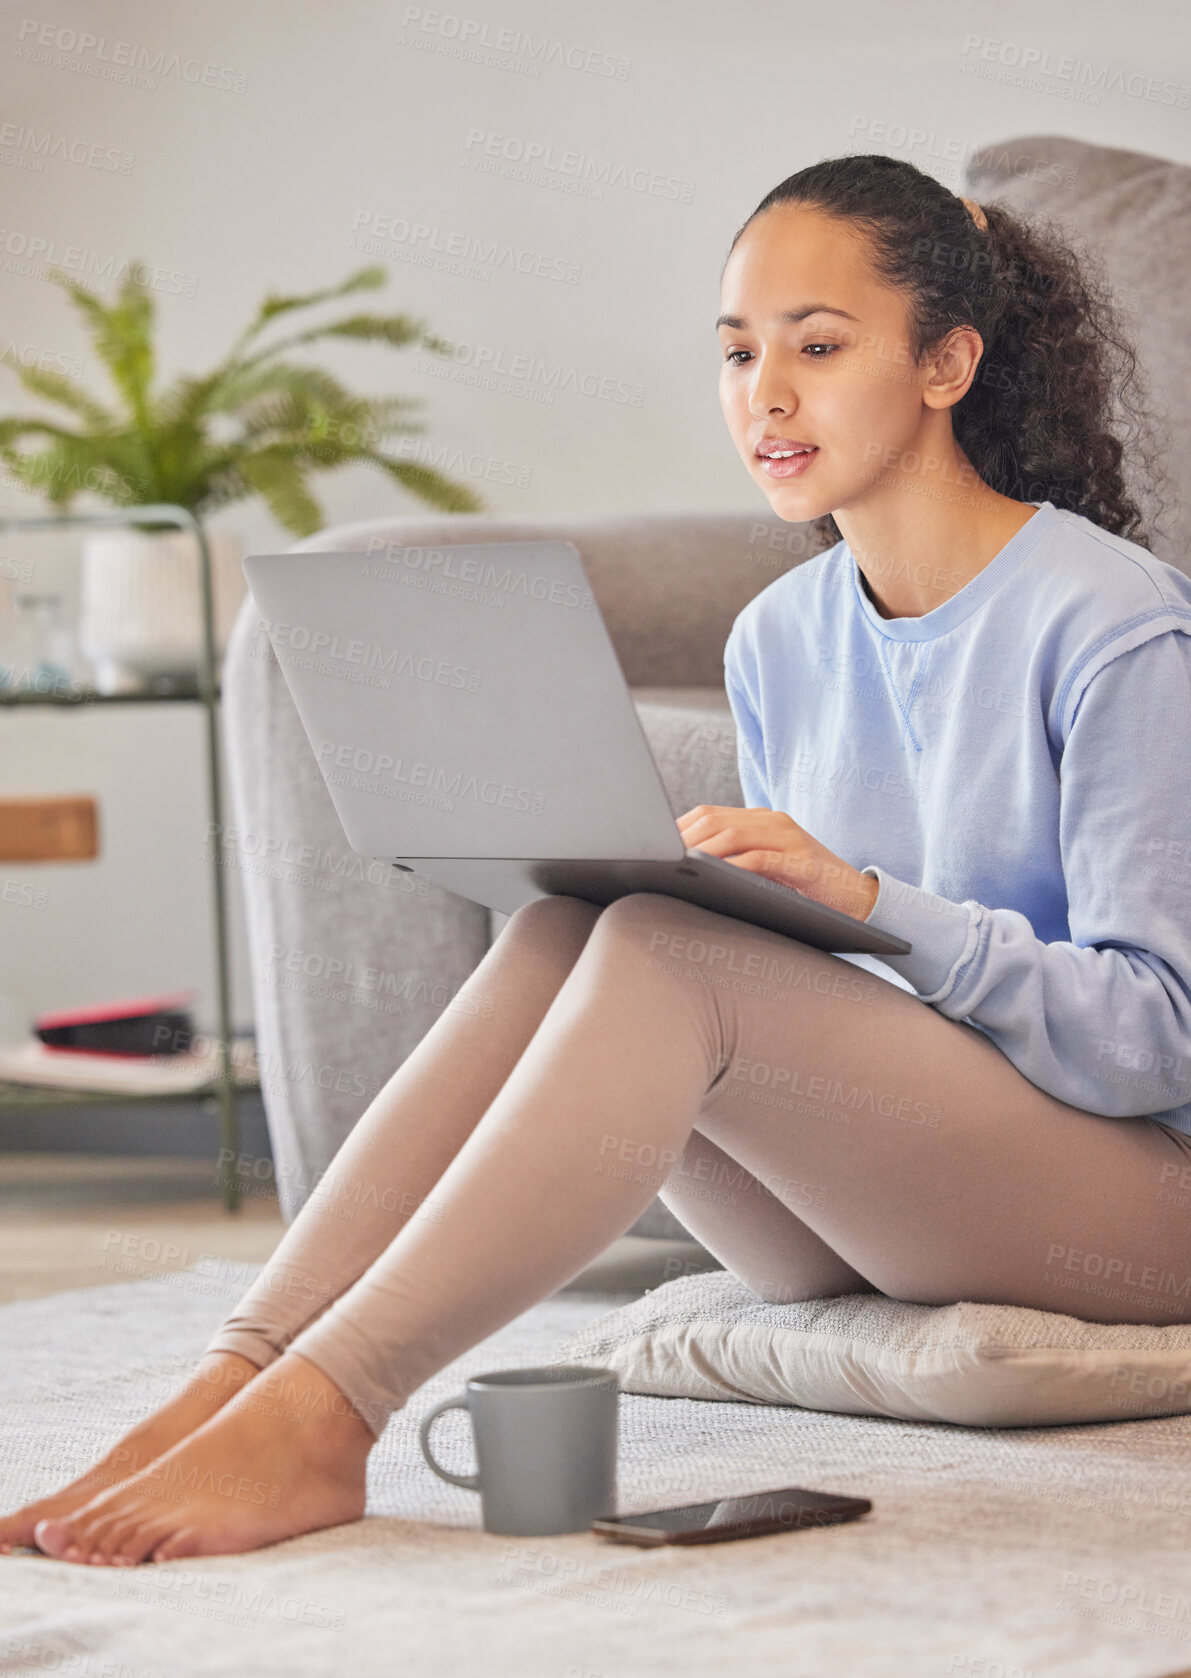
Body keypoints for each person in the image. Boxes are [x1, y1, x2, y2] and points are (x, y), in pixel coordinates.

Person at [5, 151, 1190, 1568]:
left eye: (820, 346)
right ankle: (237, 1376)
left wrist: (874, 908)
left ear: (948, 363)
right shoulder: (780, 637)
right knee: (580, 924)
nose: (767, 393)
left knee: (658, 951)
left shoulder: (1114, 624)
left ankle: (330, 1415)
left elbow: (1156, 1040)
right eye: (740, 352)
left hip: (1125, 1206)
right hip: (877, 1198)